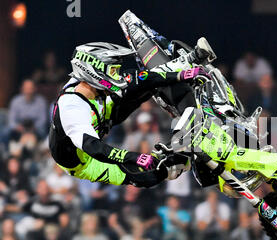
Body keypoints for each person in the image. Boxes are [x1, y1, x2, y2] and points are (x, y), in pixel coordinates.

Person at [49, 42, 211, 188]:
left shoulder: (88, 84)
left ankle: (189, 60)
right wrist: (134, 157)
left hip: (102, 116)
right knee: (148, 176)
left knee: (140, 82)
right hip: (85, 161)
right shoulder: (71, 107)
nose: (116, 74)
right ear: (94, 71)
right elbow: (94, 148)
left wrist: (180, 75)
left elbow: (141, 78)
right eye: (113, 70)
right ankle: (186, 159)